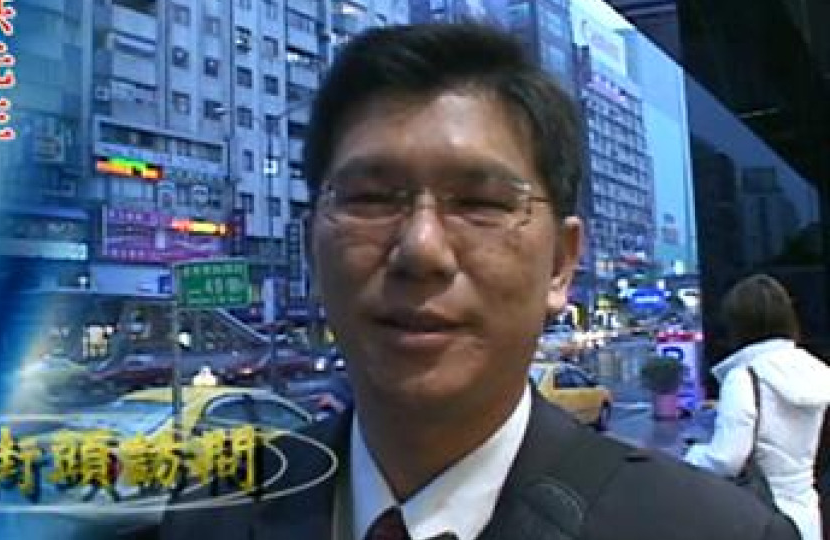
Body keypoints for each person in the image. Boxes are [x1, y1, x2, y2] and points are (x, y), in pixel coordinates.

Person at [123, 23, 798, 540]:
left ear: (561, 263)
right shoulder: (213, 516)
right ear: (312, 251)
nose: (421, 249)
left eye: (480, 203)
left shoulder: (715, 532)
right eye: (371, 198)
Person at [686, 274, 830, 540]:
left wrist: (693, 454)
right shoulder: (814, 372)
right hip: (807, 514)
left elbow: (726, 459)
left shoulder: (744, 377)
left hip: (761, 518)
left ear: (738, 325)